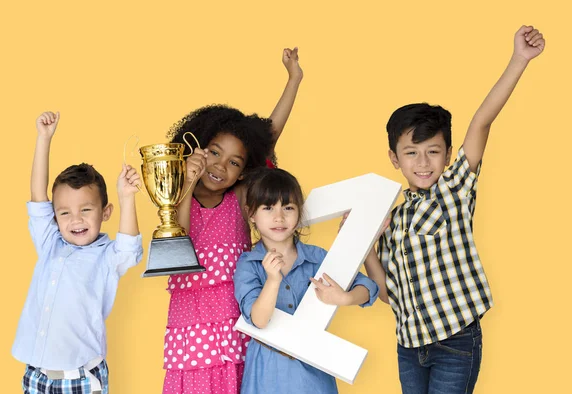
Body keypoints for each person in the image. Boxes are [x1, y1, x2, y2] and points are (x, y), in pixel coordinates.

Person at [362, 25, 545, 393]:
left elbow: (482, 121)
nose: (423, 162)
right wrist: (365, 242)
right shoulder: (392, 220)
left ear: (447, 155)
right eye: (411, 153)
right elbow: (385, 293)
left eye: (433, 151)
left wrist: (519, 59)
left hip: (455, 342)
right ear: (394, 159)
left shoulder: (454, 191)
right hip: (409, 347)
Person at [161, 48, 303, 393]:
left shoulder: (240, 199)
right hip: (190, 330)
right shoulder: (174, 198)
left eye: (235, 162)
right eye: (213, 152)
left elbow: (268, 138)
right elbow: (178, 247)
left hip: (240, 323)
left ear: (246, 168)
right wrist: (188, 182)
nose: (220, 167)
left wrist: (294, 79)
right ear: (195, 146)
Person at [12, 111, 143, 393]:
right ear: (55, 217)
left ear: (105, 212)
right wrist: (44, 139)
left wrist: (126, 198)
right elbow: (38, 197)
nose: (76, 220)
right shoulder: (50, 244)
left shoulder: (107, 256)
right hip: (37, 374)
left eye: (86, 210)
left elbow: (129, 246)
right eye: (65, 213)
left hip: (81, 375)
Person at [234, 168, 379, 394]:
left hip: (313, 372)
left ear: (299, 212)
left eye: (288, 208)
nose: (279, 217)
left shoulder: (317, 257)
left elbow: (369, 288)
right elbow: (259, 319)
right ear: (251, 213)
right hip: (268, 374)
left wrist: (346, 297)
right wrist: (272, 281)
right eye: (268, 207)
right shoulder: (248, 264)